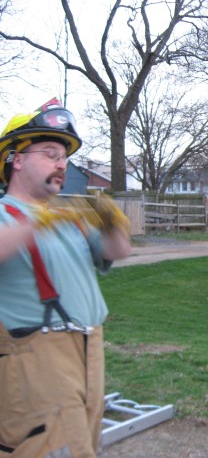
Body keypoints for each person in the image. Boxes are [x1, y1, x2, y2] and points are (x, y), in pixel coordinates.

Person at [0, 98, 132, 457]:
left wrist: (113, 223)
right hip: (35, 356)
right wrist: (33, 223)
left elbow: (117, 252)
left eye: (64, 157)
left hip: (90, 350)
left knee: (83, 445)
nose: (62, 164)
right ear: (17, 158)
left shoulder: (70, 217)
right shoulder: (5, 214)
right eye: (50, 153)